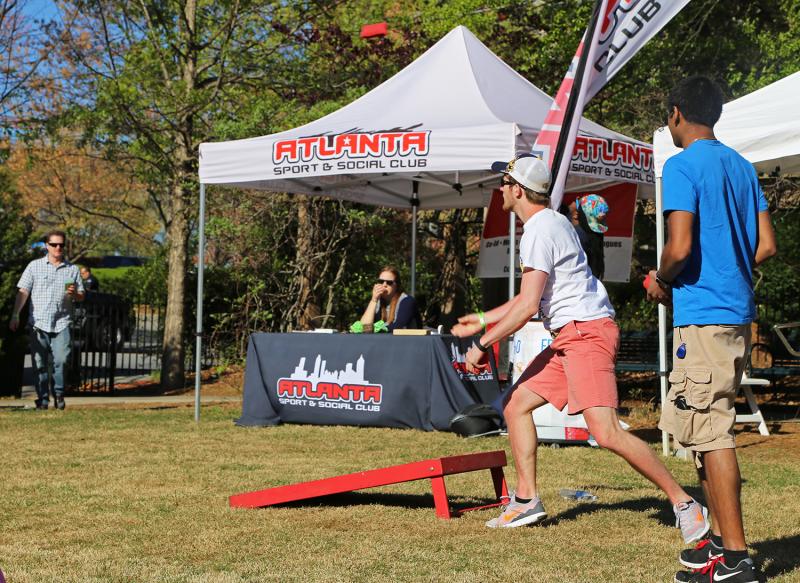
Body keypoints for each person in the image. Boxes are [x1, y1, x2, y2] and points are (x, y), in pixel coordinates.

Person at [452, 154, 709, 547]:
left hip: (586, 335)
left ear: (517, 189)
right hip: (572, 336)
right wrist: (484, 319)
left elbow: (525, 306)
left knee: (605, 432)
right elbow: (530, 299)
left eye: (503, 183)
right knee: (516, 405)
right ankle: (526, 499)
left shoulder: (539, 230)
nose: (499, 189)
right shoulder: (553, 222)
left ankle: (685, 503)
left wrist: (481, 344)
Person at [646, 76, 776, 583]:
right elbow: (765, 246)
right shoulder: (742, 167)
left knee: (712, 431)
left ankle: (738, 559)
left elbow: (678, 247)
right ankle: (721, 549)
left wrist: (660, 280)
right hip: (737, 313)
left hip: (702, 315)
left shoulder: (681, 165)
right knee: (701, 429)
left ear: (676, 113)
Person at [9, 230, 85, 410]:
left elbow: (82, 295)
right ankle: (42, 399)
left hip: (62, 323)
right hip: (38, 323)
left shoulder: (72, 269)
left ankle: (58, 393)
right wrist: (15, 314)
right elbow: (23, 291)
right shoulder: (34, 266)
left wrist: (76, 294)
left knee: (62, 360)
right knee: (39, 364)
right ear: (46, 246)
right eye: (54, 244)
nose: (58, 248)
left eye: (61, 245)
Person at [359, 266, 421, 332]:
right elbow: (362, 328)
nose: (384, 285)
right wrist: (373, 300)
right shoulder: (376, 302)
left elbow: (398, 327)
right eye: (381, 281)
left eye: (389, 282)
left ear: (397, 285)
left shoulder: (407, 301)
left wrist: (372, 328)